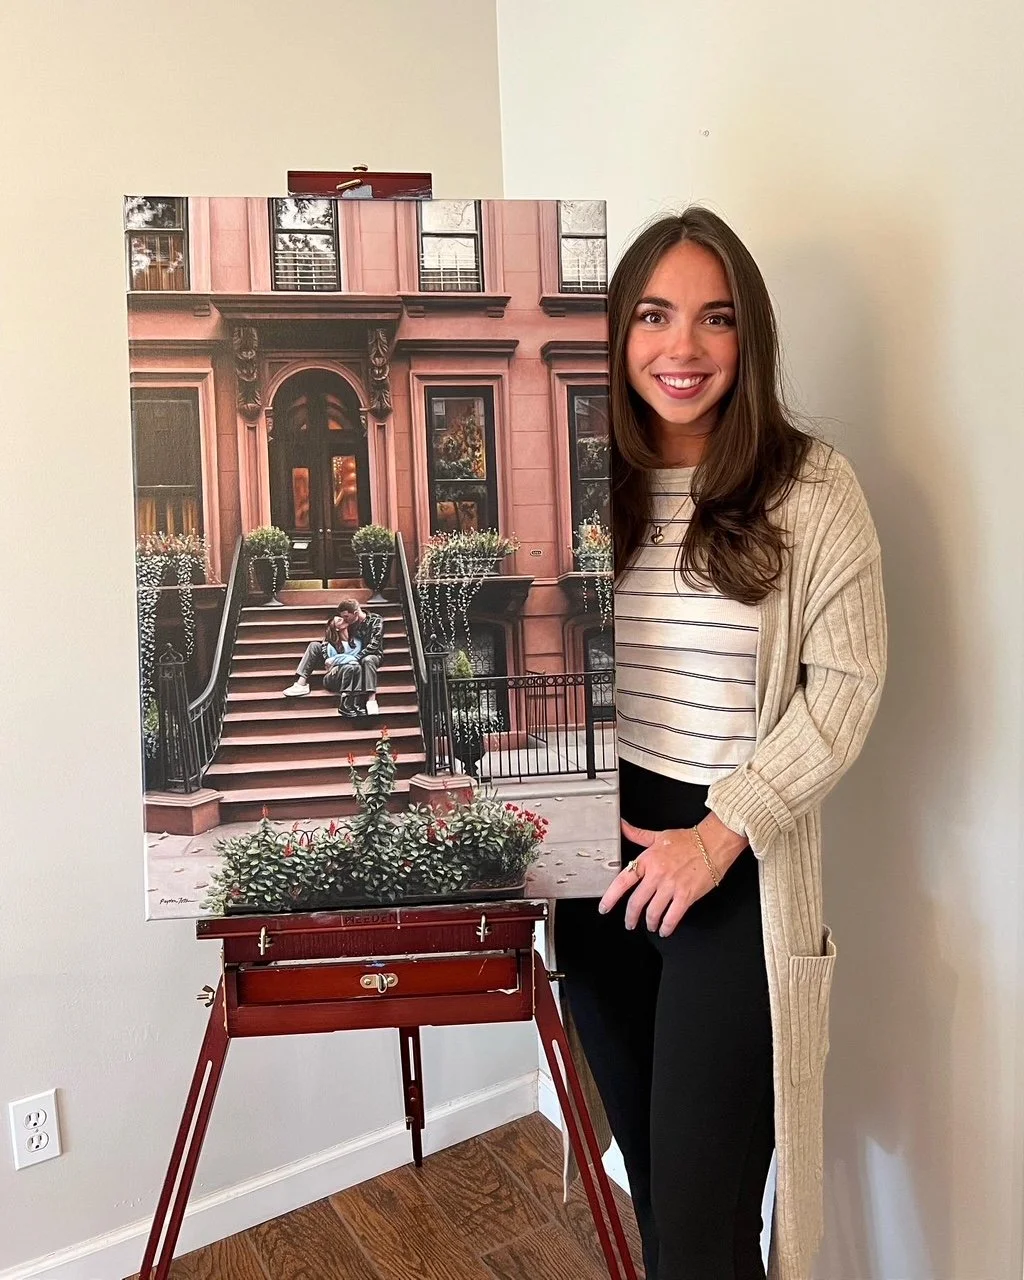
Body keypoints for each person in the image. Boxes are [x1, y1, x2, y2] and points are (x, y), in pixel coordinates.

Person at [553, 208, 887, 1280]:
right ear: (618, 332)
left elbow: (845, 691)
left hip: (732, 874)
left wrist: (718, 833)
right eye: (654, 316)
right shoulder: (582, 488)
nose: (682, 347)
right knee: (656, 1193)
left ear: (750, 337)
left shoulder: (812, 489)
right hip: (599, 883)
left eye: (716, 318)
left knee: (706, 1226)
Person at [282, 598, 385, 717]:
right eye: (342, 618)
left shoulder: (374, 620)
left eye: (345, 617)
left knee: (362, 662)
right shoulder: (349, 623)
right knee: (315, 645)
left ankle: (369, 700)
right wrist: (329, 658)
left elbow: (374, 645)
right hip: (344, 664)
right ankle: (301, 683)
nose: (344, 619)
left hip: (368, 655)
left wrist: (339, 660)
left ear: (355, 613)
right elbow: (330, 637)